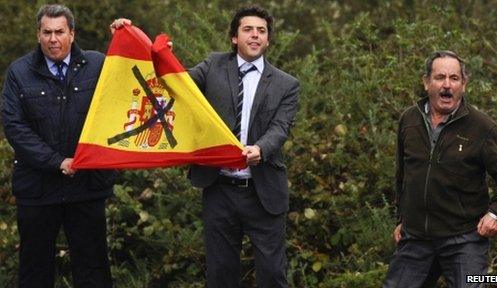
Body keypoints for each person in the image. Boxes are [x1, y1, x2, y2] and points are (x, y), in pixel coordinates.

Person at [111, 5, 299, 287]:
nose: (255, 36)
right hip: (219, 188)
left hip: (263, 192)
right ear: (235, 37)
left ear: (268, 39)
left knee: (273, 274)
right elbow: (175, 84)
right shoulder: (213, 65)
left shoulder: (287, 84)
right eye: (248, 29)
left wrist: (260, 149)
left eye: (261, 31)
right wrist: (154, 52)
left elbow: (280, 127)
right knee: (220, 275)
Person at [2, 4, 114, 287]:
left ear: (72, 34)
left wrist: (123, 36)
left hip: (87, 187)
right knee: (35, 270)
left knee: (93, 269)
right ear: (38, 35)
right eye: (47, 32)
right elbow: (15, 127)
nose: (53, 39)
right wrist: (57, 162)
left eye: (60, 32)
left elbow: (130, 80)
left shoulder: (98, 64)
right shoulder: (19, 72)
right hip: (37, 189)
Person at [384, 50, 497, 288]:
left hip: (464, 240)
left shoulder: (482, 127)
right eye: (440, 77)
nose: (446, 85)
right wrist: (400, 218)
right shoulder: (408, 120)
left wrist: (496, 214)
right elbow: (403, 176)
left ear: (464, 84)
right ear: (426, 82)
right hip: (416, 239)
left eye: (454, 78)